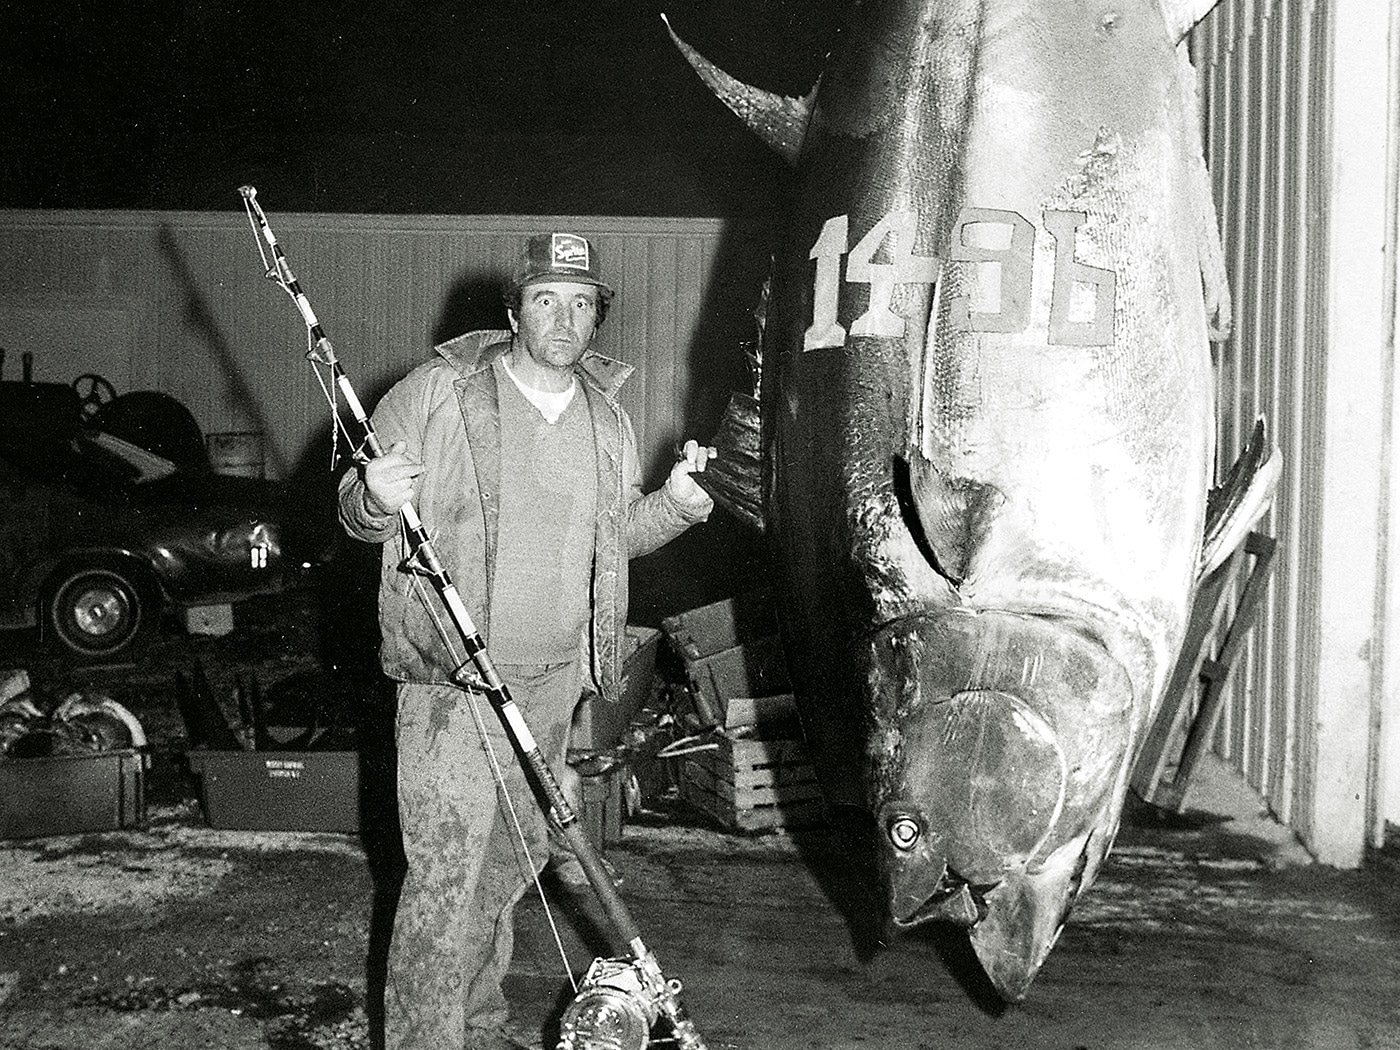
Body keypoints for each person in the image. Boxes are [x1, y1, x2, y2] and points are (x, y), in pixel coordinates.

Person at [338, 231, 714, 1050]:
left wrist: (679, 502)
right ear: (515, 310)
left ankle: (475, 1021)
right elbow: (358, 508)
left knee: (510, 865)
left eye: (582, 303)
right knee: (444, 875)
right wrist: (371, 494)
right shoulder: (440, 390)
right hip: (453, 681)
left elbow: (613, 541)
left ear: (597, 317)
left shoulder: (607, 418)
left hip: (550, 683)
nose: (565, 317)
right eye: (546, 299)